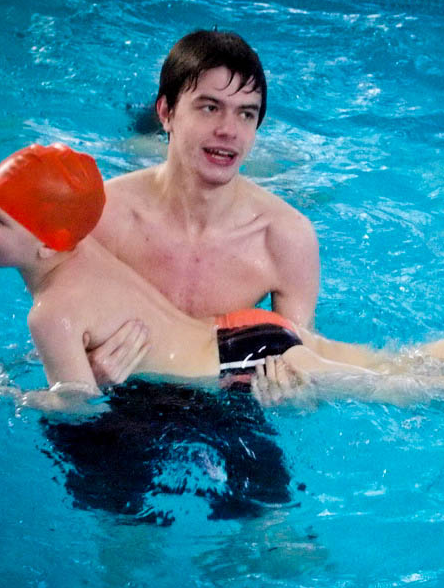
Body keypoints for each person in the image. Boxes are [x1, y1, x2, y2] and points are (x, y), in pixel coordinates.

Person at [0, 143, 444, 418]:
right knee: (401, 359)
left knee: (412, 389)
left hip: (240, 362)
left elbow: (78, 405)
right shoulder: (84, 247)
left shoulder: (50, 311)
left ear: (46, 240)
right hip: (247, 329)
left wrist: (4, 392)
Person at [86, 29, 320, 387]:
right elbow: (53, 336)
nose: (229, 130)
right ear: (165, 113)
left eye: (246, 114)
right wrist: (83, 375)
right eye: (210, 108)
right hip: (121, 392)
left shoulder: (286, 238)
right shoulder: (103, 216)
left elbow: (306, 361)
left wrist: (291, 392)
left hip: (231, 401)